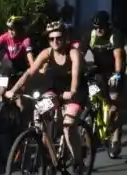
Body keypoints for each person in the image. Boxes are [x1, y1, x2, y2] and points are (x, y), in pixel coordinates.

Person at [5, 21, 83, 160]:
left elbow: (76, 74)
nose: (55, 41)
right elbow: (30, 72)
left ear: (65, 37)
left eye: (58, 38)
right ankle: (50, 154)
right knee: (39, 116)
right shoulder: (47, 53)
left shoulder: (73, 52)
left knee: (69, 128)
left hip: (74, 93)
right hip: (55, 92)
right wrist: (14, 90)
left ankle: (78, 162)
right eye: (51, 39)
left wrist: (72, 91)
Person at [81, 11, 126, 155]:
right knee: (92, 98)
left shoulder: (115, 35)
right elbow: (79, 54)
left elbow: (118, 56)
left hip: (114, 71)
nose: (98, 30)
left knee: (114, 106)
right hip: (98, 70)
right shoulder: (91, 35)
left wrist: (118, 74)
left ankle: (115, 137)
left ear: (107, 25)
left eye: (101, 27)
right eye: (96, 27)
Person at [0, 15, 35, 103]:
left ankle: (20, 114)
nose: (10, 32)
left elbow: (29, 55)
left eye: (13, 29)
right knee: (2, 93)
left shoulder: (25, 39)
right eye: (9, 29)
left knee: (20, 100)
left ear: (20, 29)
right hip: (6, 65)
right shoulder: (3, 37)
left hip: (20, 67)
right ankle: (2, 108)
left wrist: (33, 69)